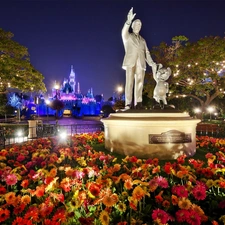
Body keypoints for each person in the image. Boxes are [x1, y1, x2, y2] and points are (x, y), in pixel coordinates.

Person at [122, 7, 156, 110]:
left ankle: (139, 103)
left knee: (140, 83)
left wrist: (151, 63)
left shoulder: (143, 40)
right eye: (136, 24)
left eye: (140, 25)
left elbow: (147, 52)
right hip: (130, 62)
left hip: (141, 64)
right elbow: (123, 32)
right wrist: (128, 21)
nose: (138, 26)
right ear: (132, 26)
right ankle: (128, 104)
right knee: (129, 83)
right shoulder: (128, 37)